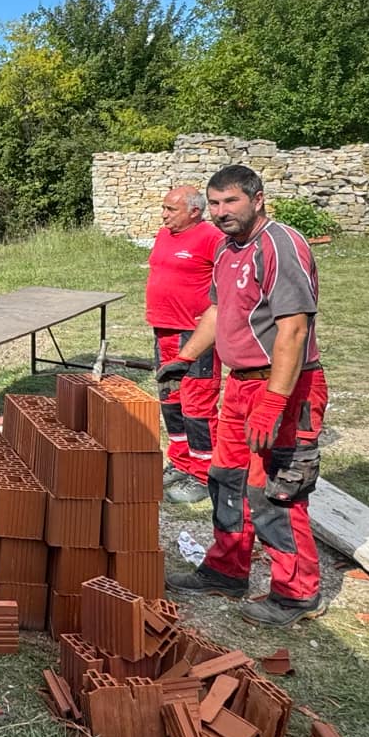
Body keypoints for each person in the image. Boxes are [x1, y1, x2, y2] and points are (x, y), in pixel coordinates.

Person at [159, 165, 329, 627]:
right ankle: (226, 569)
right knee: (227, 478)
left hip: (285, 385)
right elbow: (218, 311)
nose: (220, 212)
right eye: (213, 204)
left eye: (230, 202)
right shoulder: (229, 250)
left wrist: (275, 401)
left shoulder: (280, 245)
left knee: (274, 490)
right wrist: (184, 356)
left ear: (257, 198)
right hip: (239, 384)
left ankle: (296, 594)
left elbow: (293, 329)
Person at [144, 183, 221, 505]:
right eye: (163, 208)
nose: (163, 215)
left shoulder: (212, 238)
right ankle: (180, 461)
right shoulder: (165, 236)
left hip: (196, 333)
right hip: (164, 331)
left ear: (194, 211)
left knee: (197, 406)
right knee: (170, 400)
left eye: (170, 209)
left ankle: (205, 474)